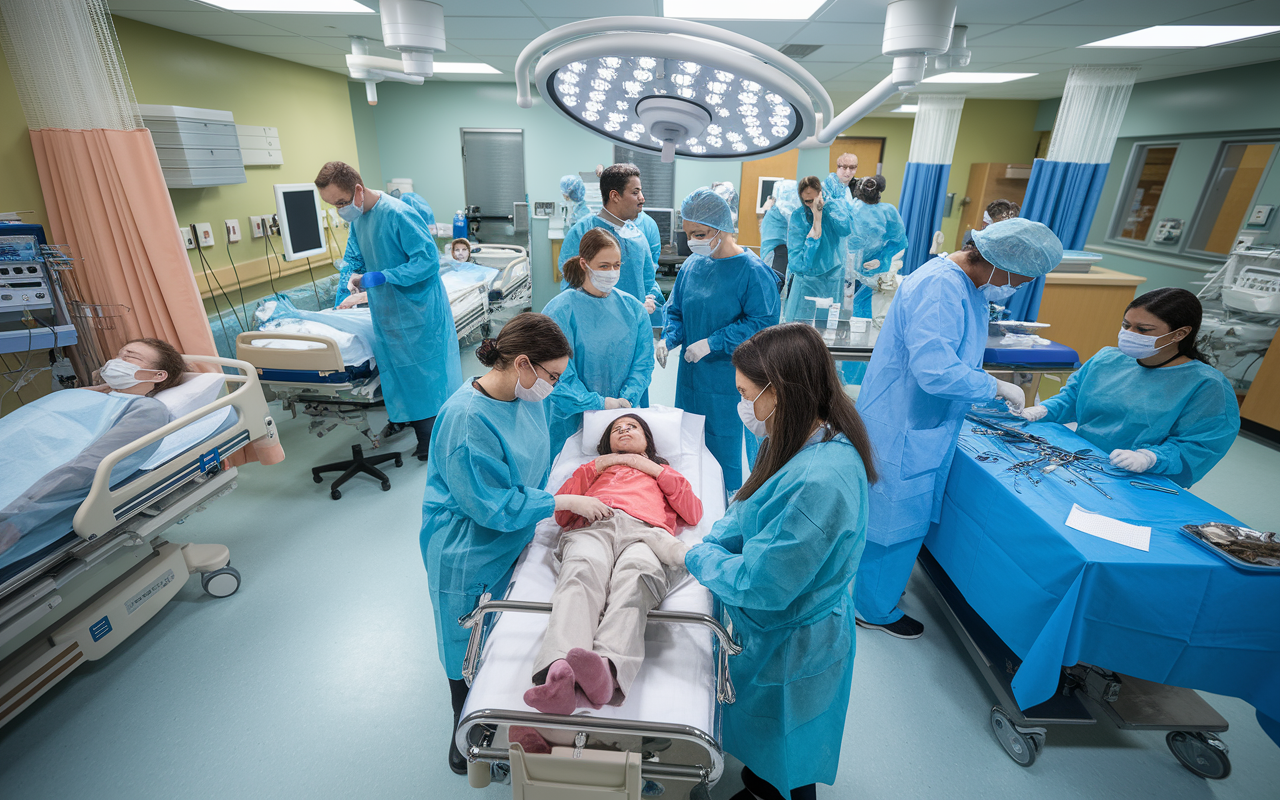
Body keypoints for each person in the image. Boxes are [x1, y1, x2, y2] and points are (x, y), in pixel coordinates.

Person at [647, 323, 877, 800]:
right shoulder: (798, 434)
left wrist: (693, 556)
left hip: (794, 636)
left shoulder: (820, 481)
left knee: (787, 757)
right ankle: (760, 783)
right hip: (778, 621)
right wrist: (711, 542)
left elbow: (762, 583)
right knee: (769, 748)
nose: (742, 407)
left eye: (746, 393)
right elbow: (750, 508)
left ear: (780, 391)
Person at [419, 312, 612, 774]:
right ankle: (461, 719)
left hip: (516, 526)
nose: (554, 385)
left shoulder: (526, 396)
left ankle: (496, 700)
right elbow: (488, 504)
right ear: (522, 364)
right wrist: (559, 501)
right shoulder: (466, 420)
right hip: (466, 544)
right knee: (462, 636)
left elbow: (543, 434)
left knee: (502, 633)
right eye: (552, 375)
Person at [854, 217, 1063, 639]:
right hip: (904, 420)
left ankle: (874, 590)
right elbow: (935, 371)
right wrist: (994, 385)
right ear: (999, 262)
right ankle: (870, 607)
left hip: (919, 416)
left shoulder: (963, 285)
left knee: (896, 512)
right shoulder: (942, 287)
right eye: (1020, 280)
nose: (1018, 287)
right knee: (892, 516)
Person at [523, 413, 703, 716]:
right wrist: (598, 465)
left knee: (635, 582)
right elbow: (562, 513)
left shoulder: (664, 472)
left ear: (647, 440)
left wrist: (651, 468)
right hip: (593, 525)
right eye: (616, 429)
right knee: (580, 575)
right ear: (606, 445)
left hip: (645, 534)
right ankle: (559, 673)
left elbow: (693, 512)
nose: (624, 429)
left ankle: (607, 671)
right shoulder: (591, 470)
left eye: (632, 426)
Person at [315, 161, 462, 461]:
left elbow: (427, 262)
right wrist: (350, 284)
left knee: (425, 375)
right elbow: (354, 258)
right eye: (333, 206)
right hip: (386, 310)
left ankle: (431, 438)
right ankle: (408, 422)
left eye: (341, 202)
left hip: (418, 309)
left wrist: (383, 276)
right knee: (399, 372)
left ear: (358, 190)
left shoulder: (399, 214)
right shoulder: (358, 220)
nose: (340, 210)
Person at [1020, 288, 1239, 486]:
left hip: (1142, 480)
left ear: (1180, 334)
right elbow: (1072, 398)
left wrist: (1149, 458)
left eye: (1143, 329)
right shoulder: (1107, 359)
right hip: (1080, 459)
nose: (1129, 334)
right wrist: (1043, 410)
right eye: (1126, 325)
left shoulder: (1207, 385)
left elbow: (1200, 445)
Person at [0, 339, 185, 556]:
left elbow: (86, 468)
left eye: (130, 357)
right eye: (118, 355)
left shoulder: (147, 409)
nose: (117, 361)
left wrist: (18, 517)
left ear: (158, 375)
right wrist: (86, 393)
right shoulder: (85, 395)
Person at [658, 188, 780, 492]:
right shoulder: (692, 265)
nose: (692, 241)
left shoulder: (753, 272)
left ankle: (729, 504)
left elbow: (762, 323)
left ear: (721, 228)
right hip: (691, 378)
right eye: (688, 234)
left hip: (732, 380)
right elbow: (676, 310)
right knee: (690, 443)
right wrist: (669, 339)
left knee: (726, 449)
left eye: (699, 233)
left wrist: (713, 342)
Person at [542, 228, 655, 454]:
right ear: (584, 264)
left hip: (620, 420)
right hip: (570, 421)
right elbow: (556, 376)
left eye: (617, 265)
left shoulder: (633, 310)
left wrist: (625, 401)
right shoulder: (559, 311)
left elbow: (642, 365)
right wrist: (598, 404)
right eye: (604, 266)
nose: (612, 272)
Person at [558, 164, 661, 315]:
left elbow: (648, 280)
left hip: (633, 324)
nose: (642, 198)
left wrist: (650, 298)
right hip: (594, 323)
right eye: (635, 192)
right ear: (615, 196)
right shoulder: (582, 232)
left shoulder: (637, 236)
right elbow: (571, 285)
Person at [842, 175, 908, 384]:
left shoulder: (888, 212)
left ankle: (860, 380)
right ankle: (842, 377)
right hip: (846, 269)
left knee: (864, 326)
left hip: (872, 276)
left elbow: (899, 241)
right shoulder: (850, 208)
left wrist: (881, 259)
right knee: (843, 322)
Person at [783, 175, 853, 323]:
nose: (812, 204)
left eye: (815, 199)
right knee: (798, 330)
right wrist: (816, 222)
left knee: (826, 329)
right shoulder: (798, 217)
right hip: (805, 282)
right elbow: (799, 263)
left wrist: (828, 207)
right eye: (807, 201)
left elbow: (845, 229)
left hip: (832, 279)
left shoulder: (832, 213)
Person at [758, 179, 800, 283]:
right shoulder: (775, 210)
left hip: (778, 253)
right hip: (774, 252)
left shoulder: (784, 208)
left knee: (774, 286)